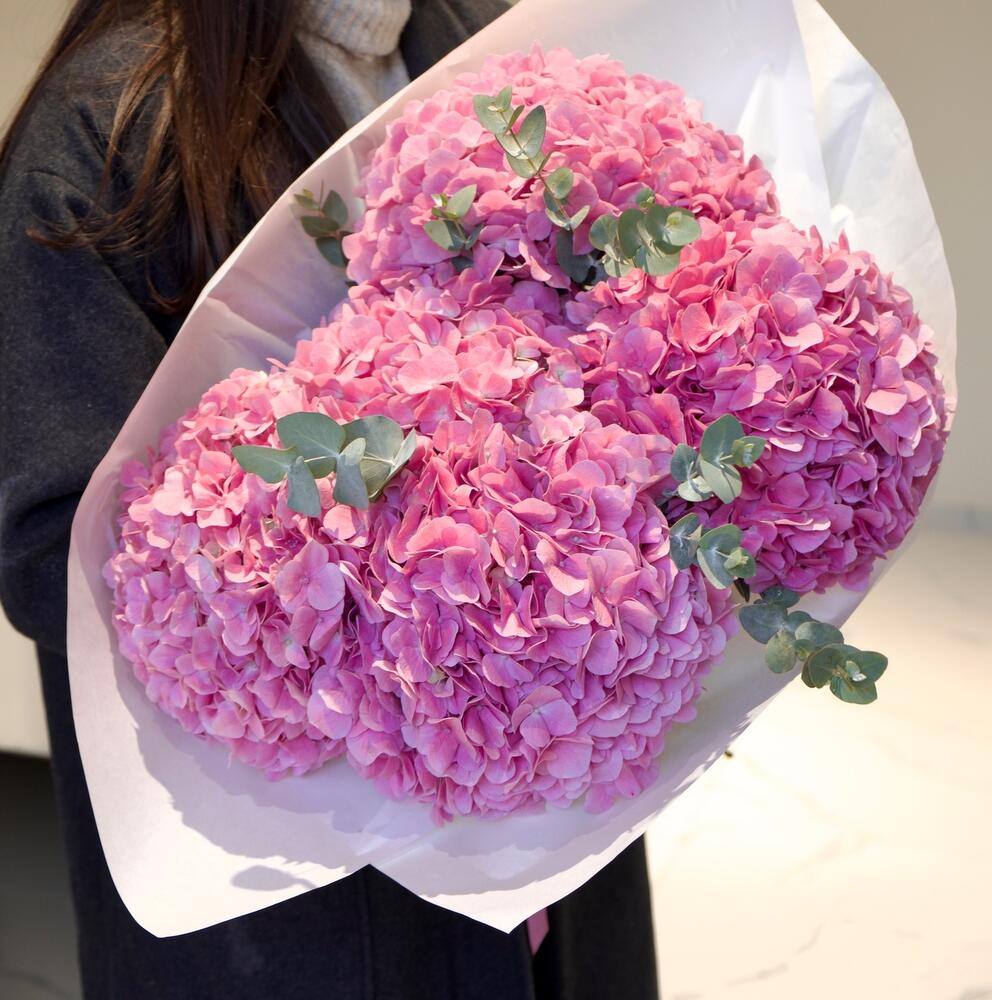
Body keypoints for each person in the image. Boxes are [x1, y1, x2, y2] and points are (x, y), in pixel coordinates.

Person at [0, 2, 659, 997]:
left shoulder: (483, 45)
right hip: (304, 898)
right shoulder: (108, 130)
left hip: (551, 806)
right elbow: (54, 550)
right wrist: (390, 601)